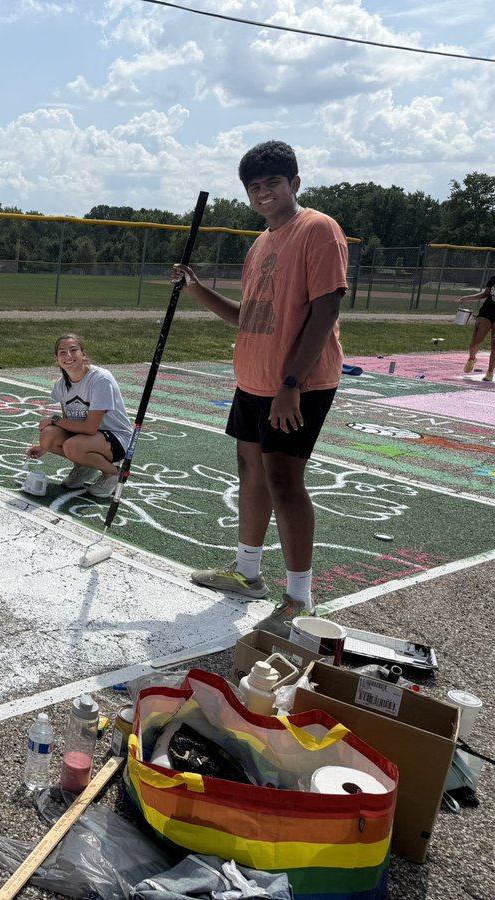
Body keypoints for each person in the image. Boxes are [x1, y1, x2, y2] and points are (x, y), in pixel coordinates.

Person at [171, 140, 349, 617]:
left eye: (272, 183)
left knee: (284, 481)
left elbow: (326, 308)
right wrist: (199, 290)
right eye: (254, 187)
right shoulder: (260, 243)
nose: (263, 193)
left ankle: (299, 598)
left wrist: (291, 384)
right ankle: (247, 572)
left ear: (294, 183)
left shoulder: (317, 229)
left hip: (297, 386)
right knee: (250, 473)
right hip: (253, 380)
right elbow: (249, 317)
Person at [25, 333, 133, 498]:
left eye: (73, 350)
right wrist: (44, 446)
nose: (68, 355)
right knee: (48, 435)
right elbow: (68, 423)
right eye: (62, 352)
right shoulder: (61, 385)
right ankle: (84, 466)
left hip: (116, 438)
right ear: (57, 359)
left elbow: (90, 428)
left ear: (83, 354)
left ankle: (112, 473)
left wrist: (54, 419)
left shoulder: (100, 379)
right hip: (89, 439)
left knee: (73, 446)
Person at [454, 274, 495, 381]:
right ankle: (472, 358)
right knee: (475, 342)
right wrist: (468, 298)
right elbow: (485, 293)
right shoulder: (494, 278)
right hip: (486, 312)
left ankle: (490, 371)